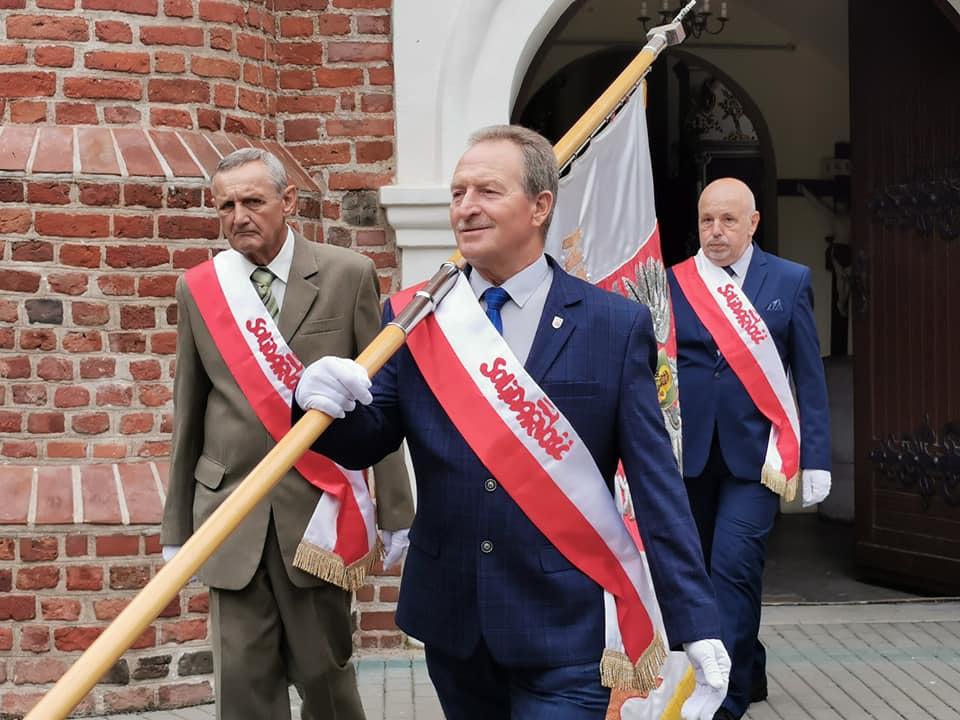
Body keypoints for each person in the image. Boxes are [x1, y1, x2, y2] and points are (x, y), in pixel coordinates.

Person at [294, 125, 730, 720]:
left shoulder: (612, 323)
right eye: (456, 193)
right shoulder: (413, 317)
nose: (466, 207)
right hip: (454, 618)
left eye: (487, 191)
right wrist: (316, 400)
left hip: (565, 620)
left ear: (541, 206)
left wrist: (696, 620)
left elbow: (657, 484)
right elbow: (366, 439)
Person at [160, 148, 414, 720]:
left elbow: (380, 400)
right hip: (229, 512)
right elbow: (190, 410)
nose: (238, 217)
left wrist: (397, 508)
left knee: (326, 679)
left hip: (318, 510)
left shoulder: (347, 274)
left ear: (288, 202)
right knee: (242, 689)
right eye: (225, 205)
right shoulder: (200, 289)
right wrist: (178, 524)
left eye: (252, 201)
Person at [667, 178, 832, 720]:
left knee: (734, 568)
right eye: (706, 220)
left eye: (728, 221)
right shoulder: (673, 284)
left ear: (753, 223)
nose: (715, 231)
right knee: (699, 574)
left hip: (758, 458)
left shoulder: (789, 279)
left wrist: (818, 458)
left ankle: (726, 700)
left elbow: (809, 376)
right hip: (688, 457)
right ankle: (750, 663)